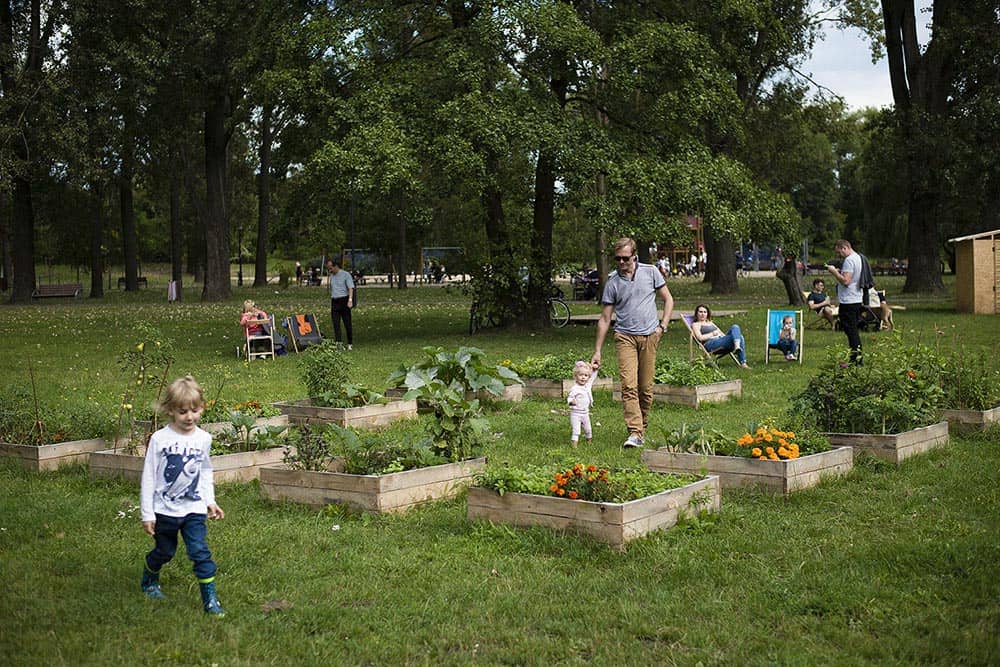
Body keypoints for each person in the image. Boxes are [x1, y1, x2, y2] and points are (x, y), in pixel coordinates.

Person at [140, 375, 225, 615]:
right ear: (170, 410)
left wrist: (210, 501)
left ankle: (210, 600)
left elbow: (205, 471)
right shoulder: (160, 439)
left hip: (194, 510)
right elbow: (149, 476)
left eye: (195, 411)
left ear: (203, 408)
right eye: (183, 412)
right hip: (164, 510)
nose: (189, 417)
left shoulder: (203, 439)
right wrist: (147, 513)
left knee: (199, 551)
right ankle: (149, 579)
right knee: (165, 552)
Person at [592, 237, 674, 449]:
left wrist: (662, 327)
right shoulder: (613, 282)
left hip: (649, 336)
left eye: (625, 258)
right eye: (617, 258)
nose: (621, 262)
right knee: (629, 386)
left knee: (645, 388)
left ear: (634, 256)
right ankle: (635, 432)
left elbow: (668, 299)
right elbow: (605, 318)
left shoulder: (650, 272)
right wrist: (597, 351)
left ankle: (642, 426)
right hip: (624, 337)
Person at [826, 239, 863, 364]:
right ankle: (856, 358)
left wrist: (834, 272)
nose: (839, 255)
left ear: (844, 248)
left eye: (839, 252)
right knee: (853, 330)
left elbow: (846, 281)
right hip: (856, 298)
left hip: (848, 301)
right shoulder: (858, 257)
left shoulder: (849, 260)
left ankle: (856, 360)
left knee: (851, 331)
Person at [691, 304, 750, 369]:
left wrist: (727, 337)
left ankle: (737, 347)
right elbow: (700, 338)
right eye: (700, 312)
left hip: (720, 340)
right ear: (697, 313)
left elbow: (721, 333)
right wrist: (712, 334)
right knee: (740, 337)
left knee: (735, 327)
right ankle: (742, 361)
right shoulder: (696, 324)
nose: (703, 314)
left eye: (705, 312)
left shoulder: (710, 323)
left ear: (707, 314)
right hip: (710, 344)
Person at [566, 360, 597, 448]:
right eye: (581, 375)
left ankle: (589, 443)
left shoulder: (587, 386)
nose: (583, 377)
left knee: (588, 429)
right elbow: (570, 397)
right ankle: (574, 446)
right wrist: (571, 402)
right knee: (576, 430)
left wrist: (595, 369)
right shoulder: (575, 388)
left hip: (585, 413)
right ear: (576, 376)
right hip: (576, 414)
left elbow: (593, 377)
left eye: (586, 375)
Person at [326, 258, 355, 350]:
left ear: (336, 266)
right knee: (336, 323)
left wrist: (350, 300)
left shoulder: (345, 275)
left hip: (344, 300)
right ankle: (338, 343)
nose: (330, 270)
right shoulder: (331, 276)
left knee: (347, 323)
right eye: (328, 269)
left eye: (331, 268)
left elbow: (350, 288)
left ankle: (350, 343)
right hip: (335, 301)